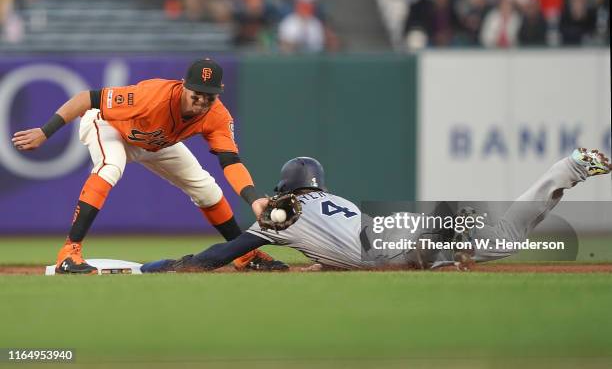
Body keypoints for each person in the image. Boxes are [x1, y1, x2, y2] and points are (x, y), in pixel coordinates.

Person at [12, 58, 287, 274]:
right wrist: (45, 132)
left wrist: (252, 199)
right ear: (183, 85)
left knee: (207, 190)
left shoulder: (216, 115)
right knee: (110, 167)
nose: (202, 101)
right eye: (197, 94)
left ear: (220, 93)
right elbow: (86, 98)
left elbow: (230, 161)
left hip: (157, 141)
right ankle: (68, 254)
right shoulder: (153, 96)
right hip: (110, 127)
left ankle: (243, 254)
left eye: (210, 95)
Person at [141, 149, 611, 273]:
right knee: (506, 234)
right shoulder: (334, 199)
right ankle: (567, 168)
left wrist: (173, 266)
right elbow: (333, 250)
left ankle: (439, 257)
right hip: (399, 226)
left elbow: (221, 254)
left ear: (283, 188)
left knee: (497, 241)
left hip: (395, 245)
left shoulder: (280, 217)